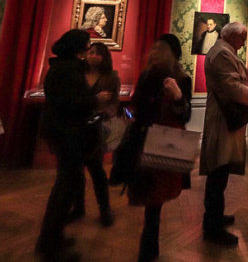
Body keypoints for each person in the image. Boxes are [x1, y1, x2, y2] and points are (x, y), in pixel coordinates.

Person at [200, 22, 248, 246]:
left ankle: (215, 217)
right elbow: (231, 86)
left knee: (220, 171)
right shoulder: (222, 52)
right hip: (223, 118)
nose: (244, 43)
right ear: (231, 36)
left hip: (225, 116)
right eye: (243, 38)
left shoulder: (223, 50)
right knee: (218, 171)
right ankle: (212, 226)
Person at [127, 33, 192, 262]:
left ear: (171, 53)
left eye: (160, 49)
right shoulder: (147, 76)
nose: (154, 53)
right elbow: (134, 109)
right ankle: (148, 247)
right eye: (153, 48)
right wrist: (131, 117)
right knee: (150, 193)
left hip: (169, 140)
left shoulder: (182, 79)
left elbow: (186, 114)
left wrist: (177, 98)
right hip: (146, 138)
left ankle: (148, 247)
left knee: (158, 195)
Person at [36, 29, 96, 262]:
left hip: (67, 132)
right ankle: (50, 244)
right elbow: (70, 103)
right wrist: (94, 100)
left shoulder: (63, 66)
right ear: (77, 46)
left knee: (67, 186)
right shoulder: (67, 69)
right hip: (68, 133)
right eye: (87, 44)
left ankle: (54, 236)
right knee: (65, 189)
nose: (89, 47)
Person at [67, 42, 119, 227]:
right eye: (90, 52)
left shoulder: (110, 77)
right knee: (76, 170)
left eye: (97, 53)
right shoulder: (78, 74)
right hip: (76, 125)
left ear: (104, 57)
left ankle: (104, 208)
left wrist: (104, 111)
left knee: (96, 169)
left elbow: (114, 103)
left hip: (96, 127)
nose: (93, 56)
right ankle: (78, 206)